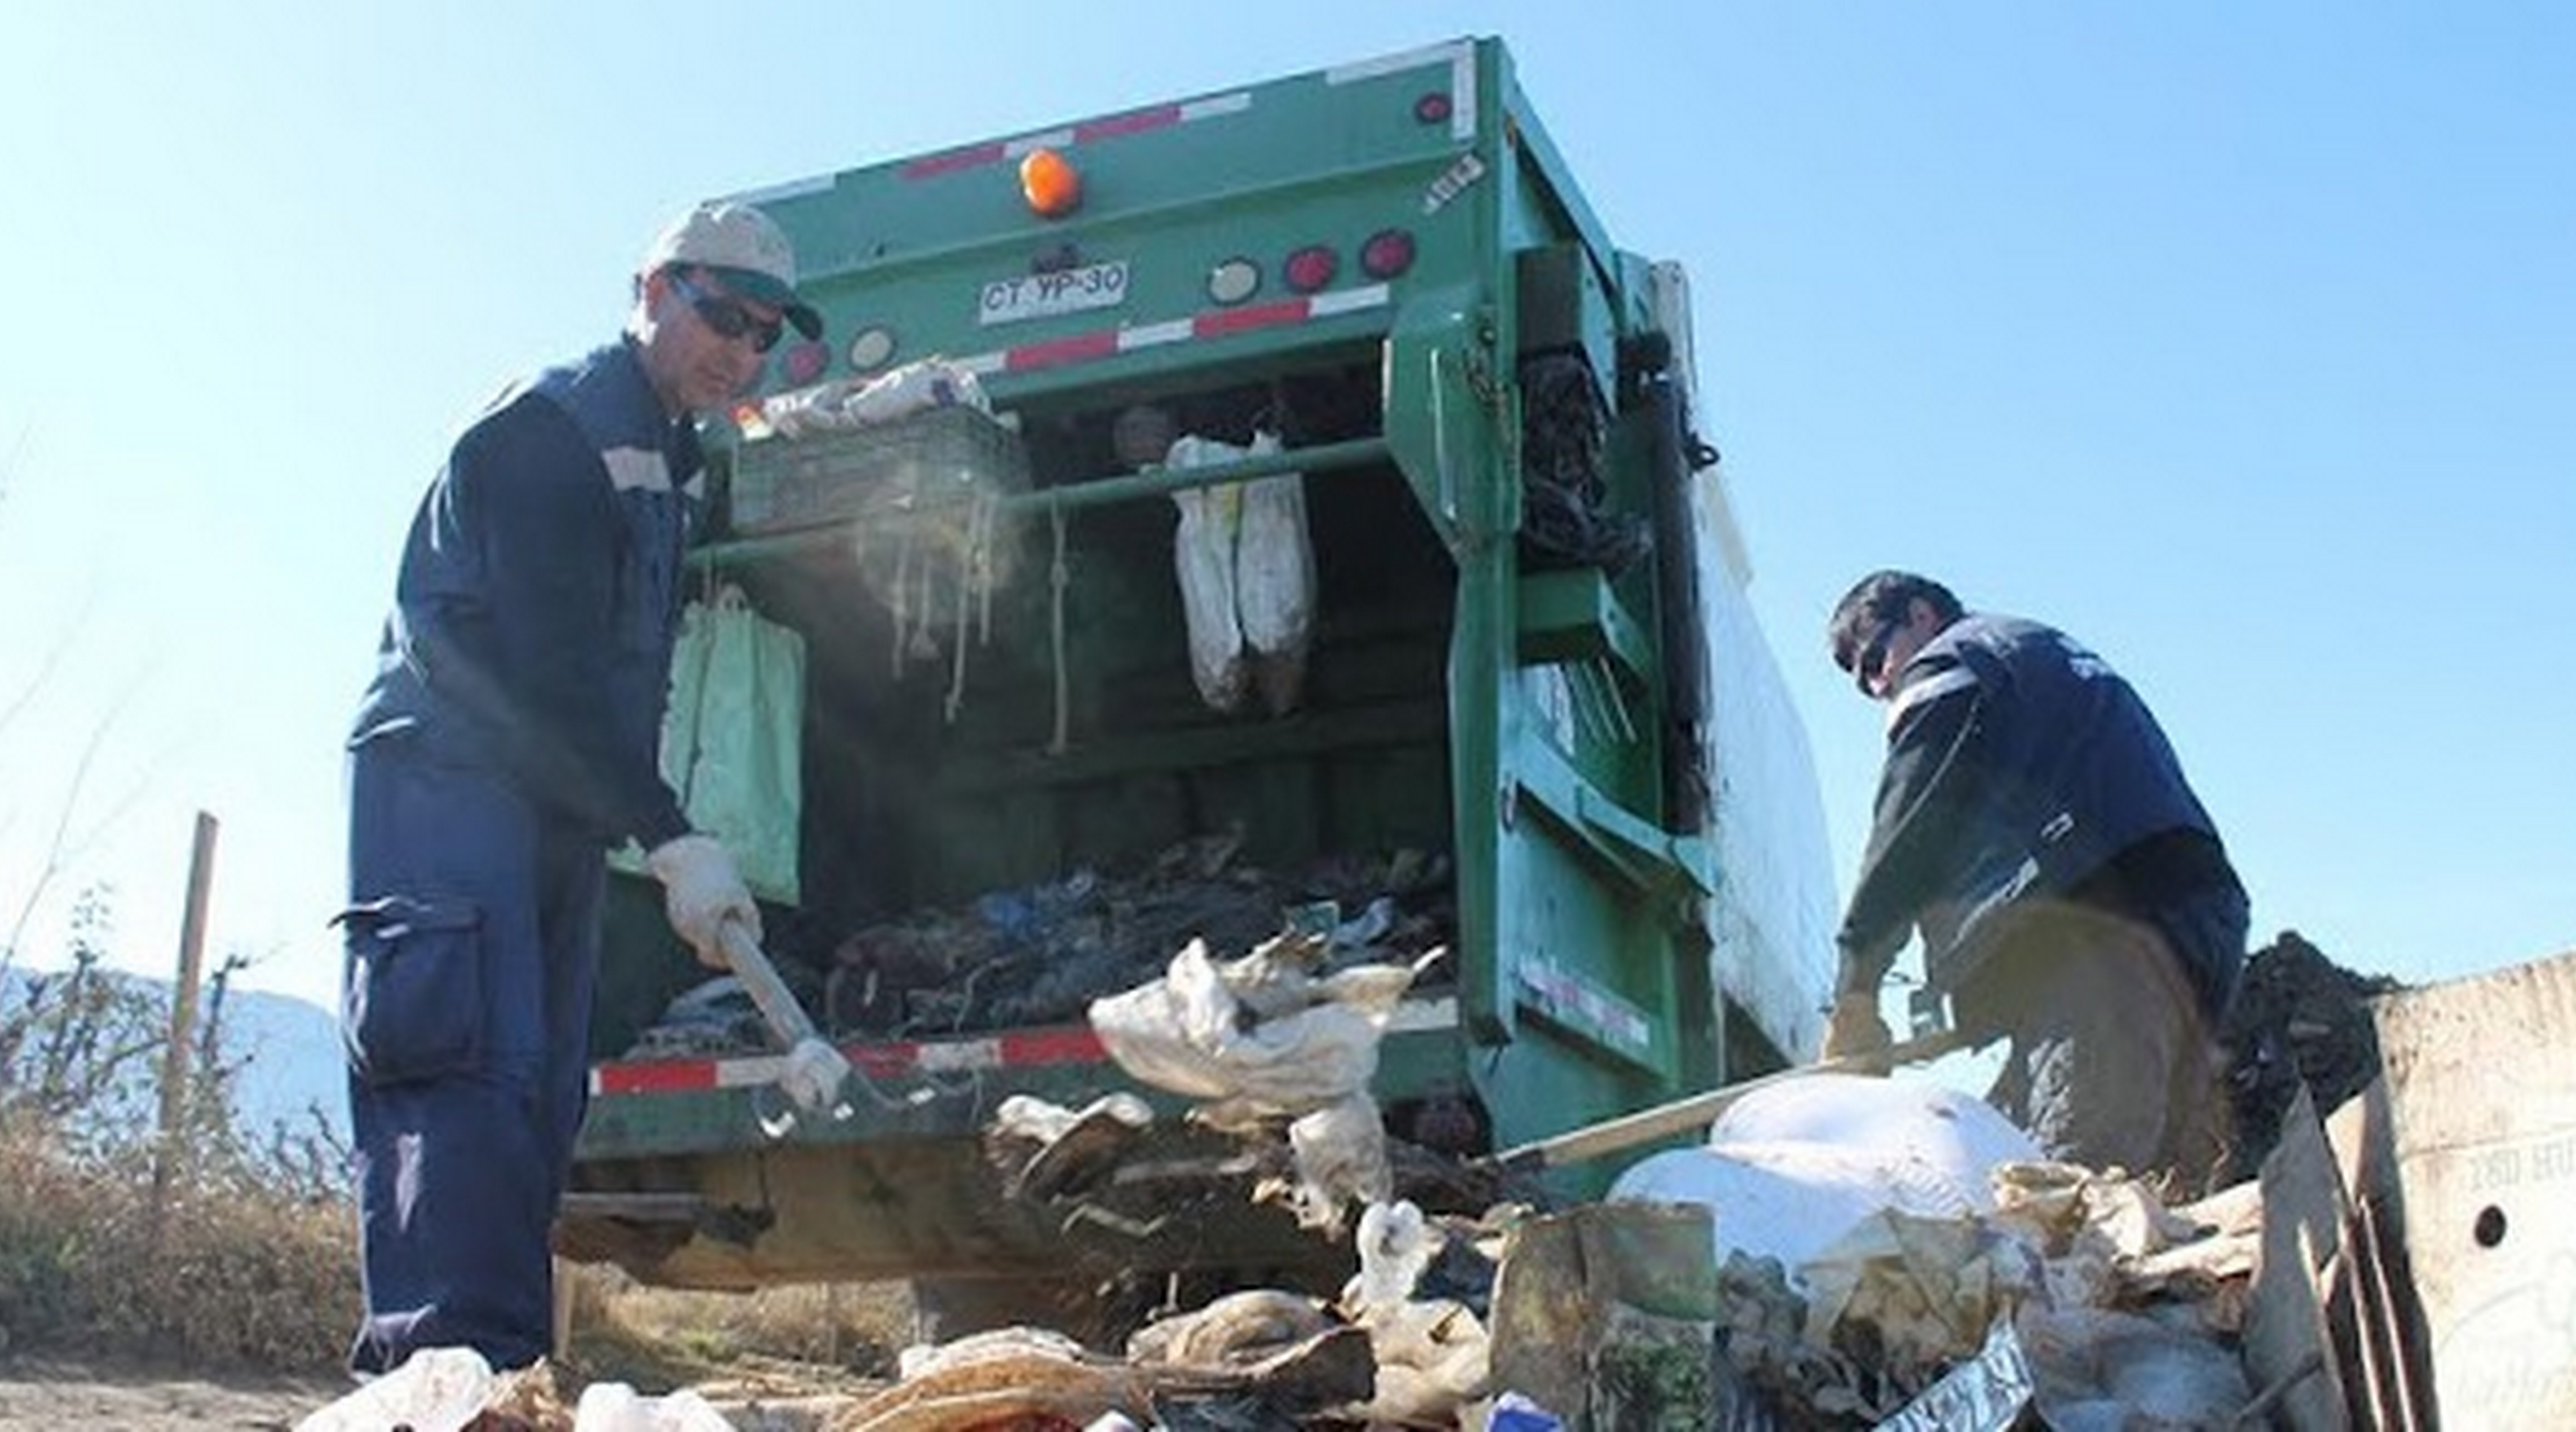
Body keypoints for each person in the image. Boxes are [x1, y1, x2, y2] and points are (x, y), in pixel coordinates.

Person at [336, 201, 823, 1376]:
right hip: (449, 777)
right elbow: (543, 672)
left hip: (550, 798)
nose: (741, 351)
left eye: (764, 334)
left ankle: (495, 1374)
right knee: (462, 1071)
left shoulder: (672, 454)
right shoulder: (546, 433)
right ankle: (438, 1383)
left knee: (541, 1090)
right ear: (649, 288)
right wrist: (668, 834)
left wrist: (647, 824)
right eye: (721, 315)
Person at [1819, 570, 2247, 1190]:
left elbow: (1908, 830)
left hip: (2101, 934)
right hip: (2188, 917)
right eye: (1862, 685)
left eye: (1875, 659)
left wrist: (1856, 987)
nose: (1879, 685)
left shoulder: (1955, 664)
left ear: (1919, 615)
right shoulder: (2031, 658)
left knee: (2070, 1196)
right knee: (2135, 1190)